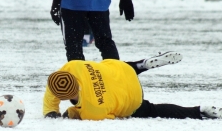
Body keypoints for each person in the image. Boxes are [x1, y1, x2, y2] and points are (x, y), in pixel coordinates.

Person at [43, 51, 222, 120]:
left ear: (65, 96)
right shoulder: (72, 66)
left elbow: (109, 116)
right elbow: (54, 85)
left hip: (133, 98)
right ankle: (141, 65)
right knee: (113, 67)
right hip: (123, 70)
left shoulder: (92, 110)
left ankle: (198, 111)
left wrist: (65, 112)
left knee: (153, 110)